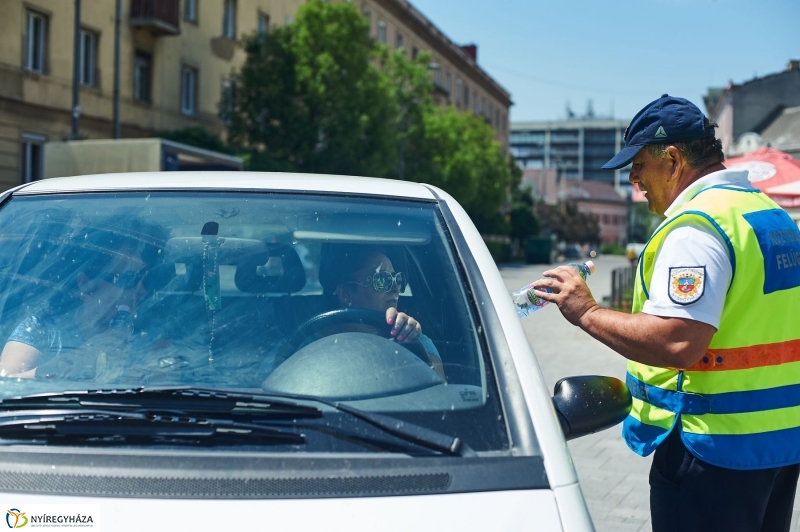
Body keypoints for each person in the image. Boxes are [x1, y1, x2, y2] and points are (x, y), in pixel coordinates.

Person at [532, 95, 800, 531]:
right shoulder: (768, 215)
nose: (633, 178)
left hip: (710, 450)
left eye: (638, 163)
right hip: (776, 446)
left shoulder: (697, 227)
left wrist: (586, 311)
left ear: (673, 160)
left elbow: (677, 341)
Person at [0, 218, 164, 383]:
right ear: (85, 282)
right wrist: (72, 363)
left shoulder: (150, 329)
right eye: (128, 279)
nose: (141, 289)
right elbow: (5, 383)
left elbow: (169, 388)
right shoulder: (43, 327)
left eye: (144, 278)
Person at [268, 245, 445, 379]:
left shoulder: (413, 339)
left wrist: (413, 343)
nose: (395, 289)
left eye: (397, 279)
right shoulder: (301, 345)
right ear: (345, 293)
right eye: (381, 280)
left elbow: (439, 395)